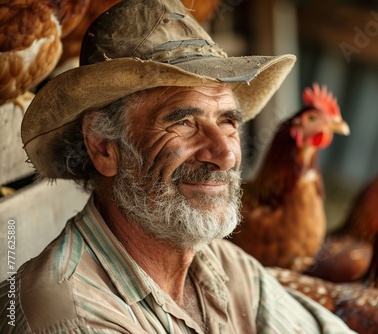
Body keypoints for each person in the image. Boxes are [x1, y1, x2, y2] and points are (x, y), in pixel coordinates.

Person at [0, 0, 356, 332]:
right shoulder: (75, 313)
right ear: (104, 148)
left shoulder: (218, 264)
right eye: (183, 123)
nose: (226, 154)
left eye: (228, 122)